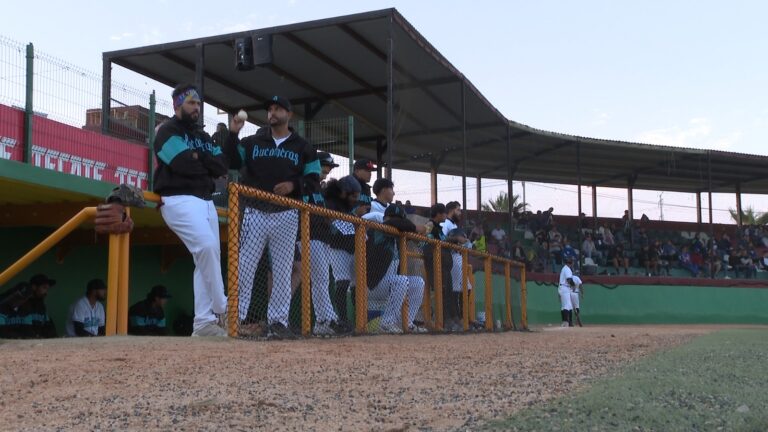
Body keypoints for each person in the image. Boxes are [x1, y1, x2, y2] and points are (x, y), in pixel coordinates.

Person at [226, 95, 321, 340]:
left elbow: (313, 180)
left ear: (289, 114)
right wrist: (233, 134)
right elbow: (232, 161)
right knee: (244, 266)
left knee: (282, 271)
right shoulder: (253, 141)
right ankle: (234, 319)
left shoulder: (303, 147)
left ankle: (278, 321)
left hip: (286, 214)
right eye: (270, 108)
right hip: (255, 212)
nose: (272, 112)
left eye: (278, 108)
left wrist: (293, 185)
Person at [153, 83, 228, 337]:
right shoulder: (167, 130)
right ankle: (223, 307)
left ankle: (204, 323)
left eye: (198, 104)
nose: (196, 108)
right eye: (191, 104)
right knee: (206, 247)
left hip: (206, 201)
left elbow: (221, 166)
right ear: (177, 105)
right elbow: (181, 164)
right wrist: (201, 162)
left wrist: (199, 158)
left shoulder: (204, 137)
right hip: (177, 198)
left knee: (206, 259)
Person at [366, 204, 426, 333]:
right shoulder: (378, 230)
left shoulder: (398, 237)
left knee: (418, 282)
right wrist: (413, 227)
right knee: (401, 280)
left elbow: (407, 228)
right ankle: (386, 323)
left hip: (389, 284)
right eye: (397, 219)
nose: (399, 223)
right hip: (371, 285)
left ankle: (405, 322)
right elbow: (396, 223)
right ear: (386, 218)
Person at [325, 175, 362, 327]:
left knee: (355, 284)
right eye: (353, 196)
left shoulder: (347, 208)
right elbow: (333, 225)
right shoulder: (330, 203)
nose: (355, 199)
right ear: (343, 193)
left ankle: (359, 320)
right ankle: (343, 319)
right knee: (342, 282)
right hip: (336, 247)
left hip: (351, 248)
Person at [422, 203, 455, 330]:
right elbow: (426, 238)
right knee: (439, 290)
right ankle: (438, 321)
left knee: (447, 292)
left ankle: (444, 321)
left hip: (444, 265)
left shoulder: (440, 228)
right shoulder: (430, 224)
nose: (446, 216)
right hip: (435, 263)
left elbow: (443, 241)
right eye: (444, 213)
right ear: (439, 214)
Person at [0, 274, 57, 339]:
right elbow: (2, 333)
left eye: (26, 298)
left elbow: (28, 331)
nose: (46, 292)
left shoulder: (28, 308)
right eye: (44, 287)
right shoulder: (2, 307)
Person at [558, 257, 575, 327]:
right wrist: (573, 285)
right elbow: (569, 279)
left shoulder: (565, 268)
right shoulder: (567, 269)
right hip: (565, 288)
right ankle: (565, 322)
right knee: (566, 306)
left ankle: (569, 322)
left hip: (564, 288)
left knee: (568, 306)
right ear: (571, 263)